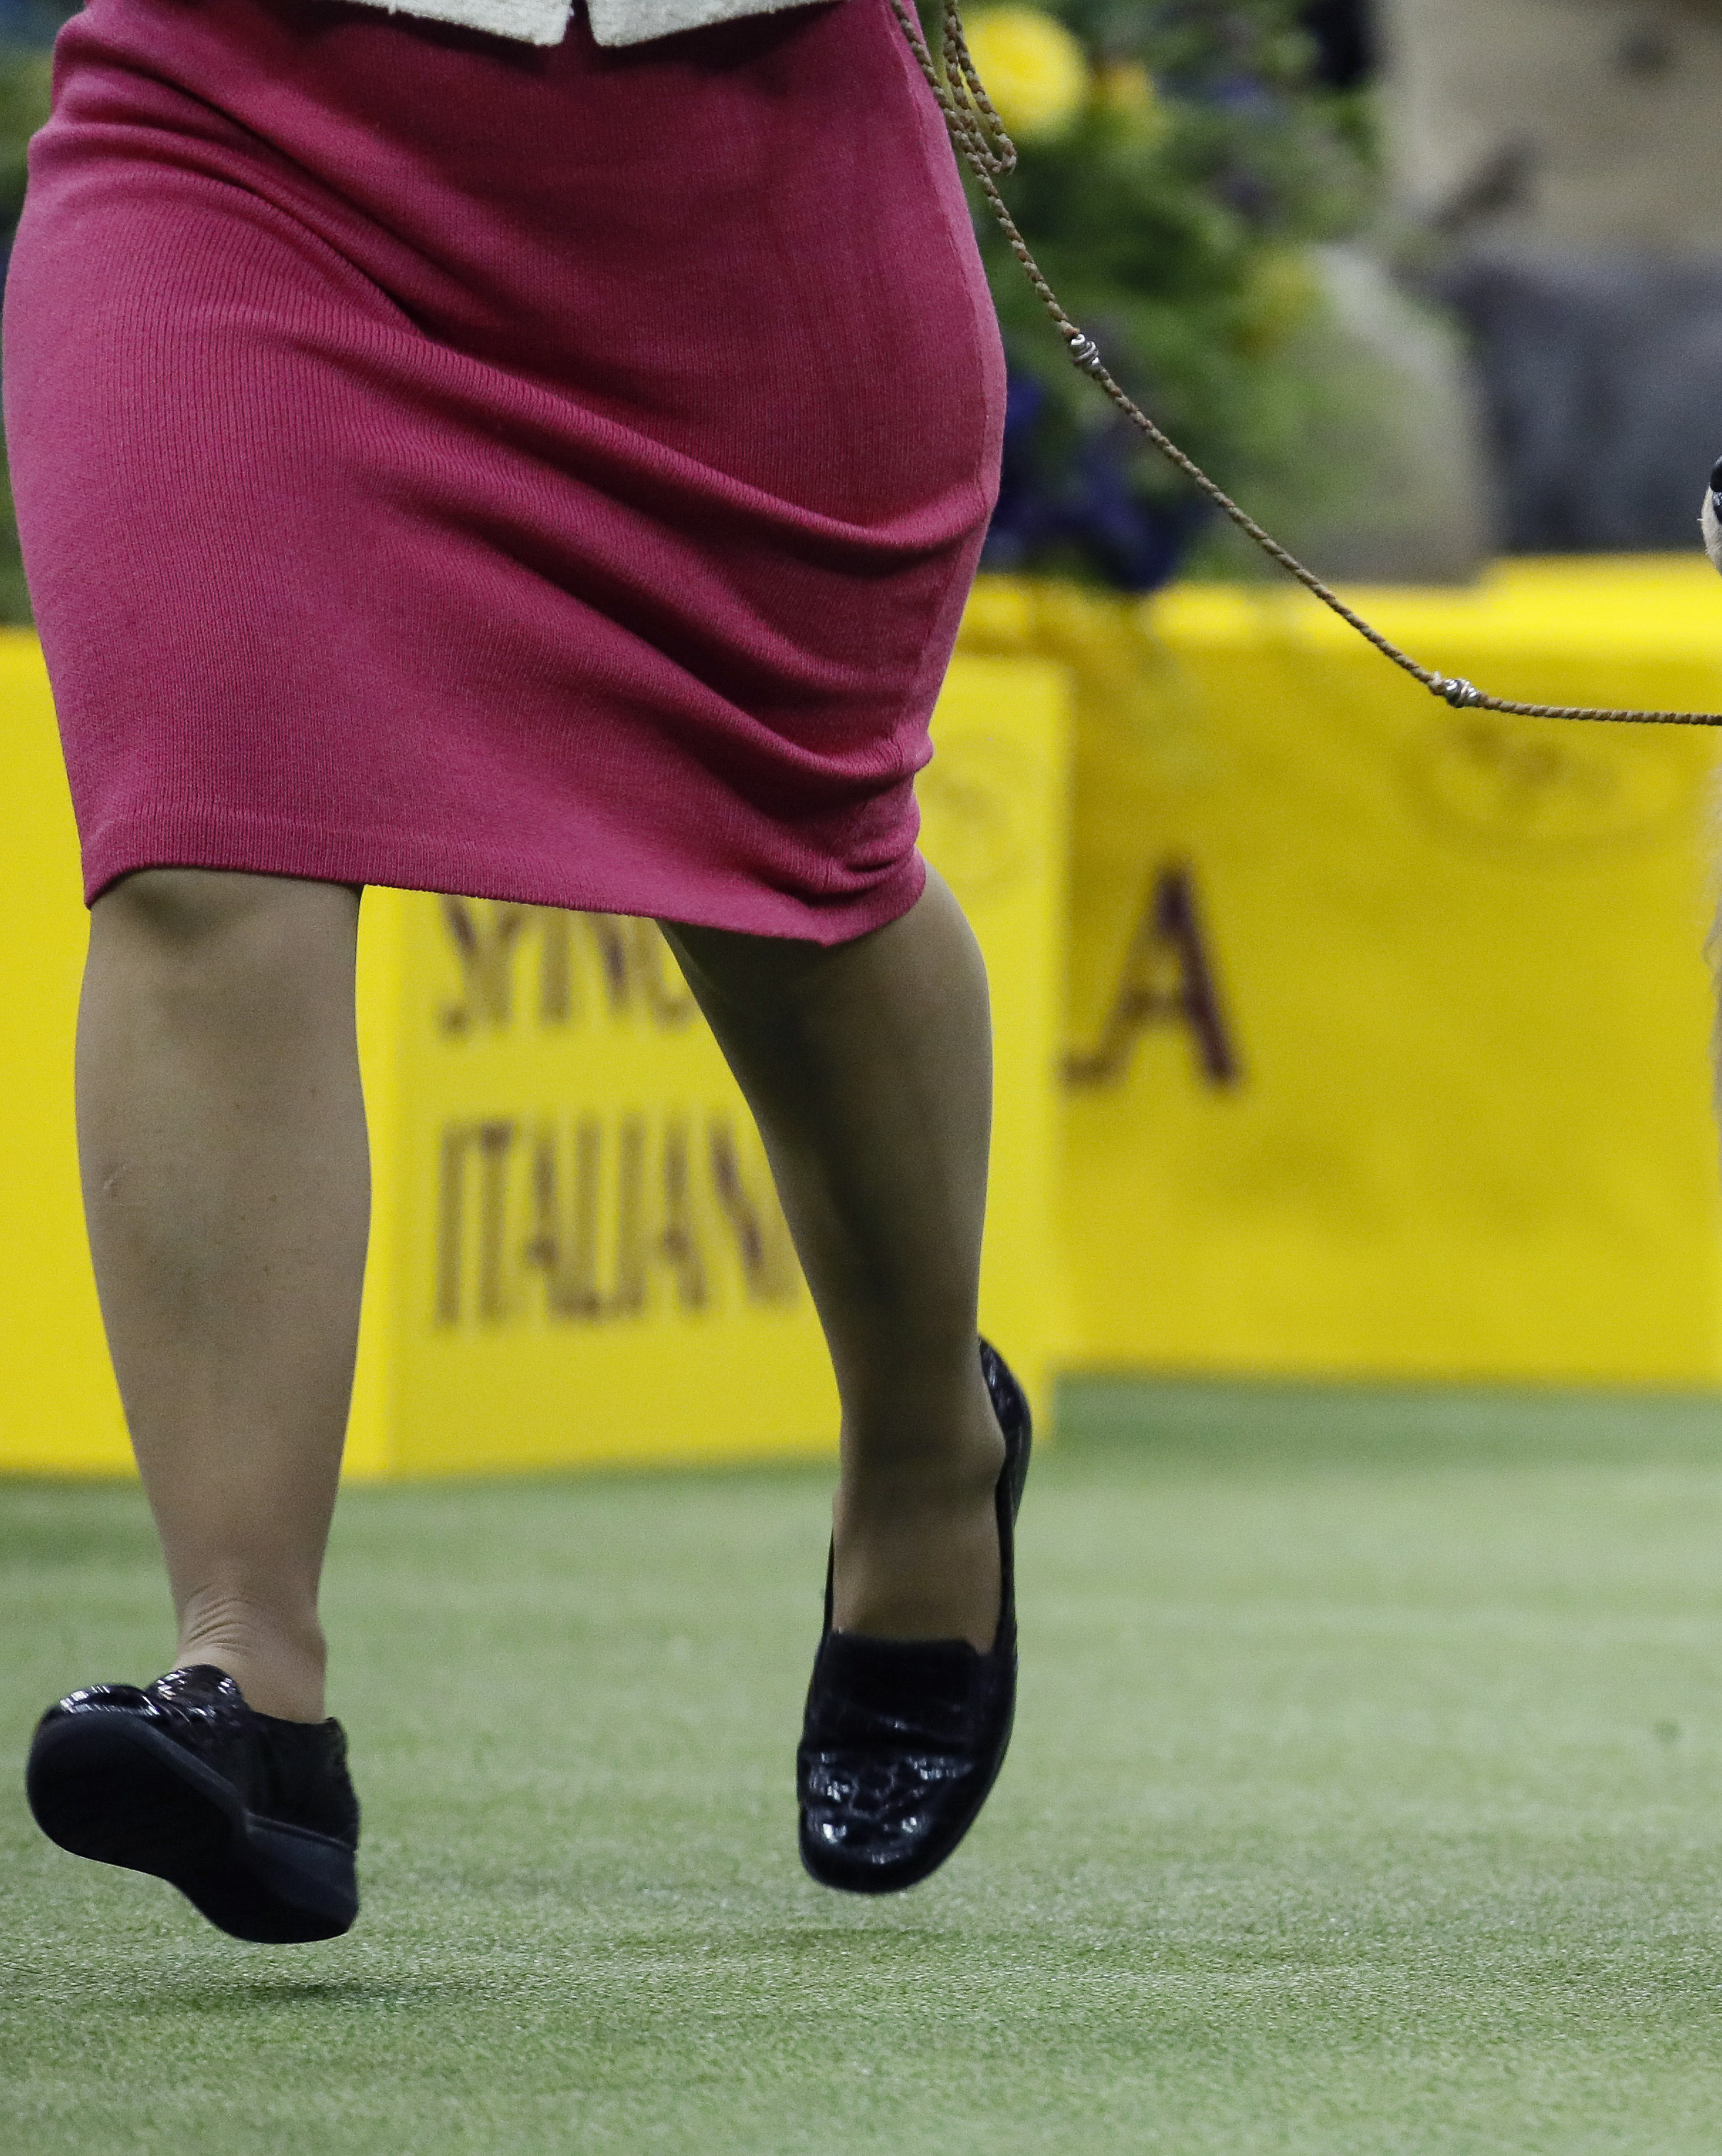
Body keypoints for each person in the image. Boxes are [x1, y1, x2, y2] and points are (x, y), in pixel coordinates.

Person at [9, 0, 1029, 1940]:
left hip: (748, 161)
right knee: (202, 839)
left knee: (797, 874)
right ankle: (252, 1681)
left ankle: (924, 1449)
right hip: (236, 133)